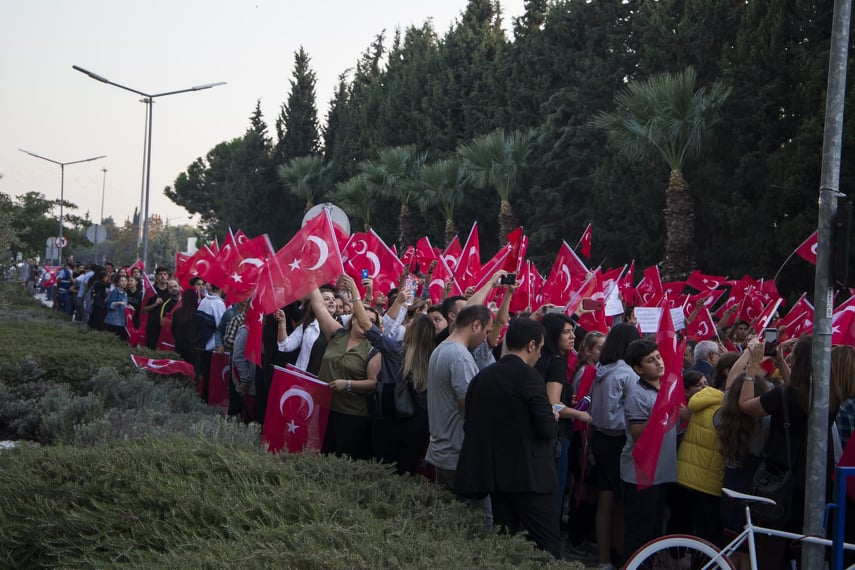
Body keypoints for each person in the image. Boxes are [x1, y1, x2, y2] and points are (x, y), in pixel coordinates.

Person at [455, 317, 562, 558]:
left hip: (497, 477)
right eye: (541, 349)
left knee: (505, 545)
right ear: (531, 345)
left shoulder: (482, 377)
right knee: (548, 548)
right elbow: (546, 428)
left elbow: (471, 422)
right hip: (531, 477)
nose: (540, 356)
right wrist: (552, 418)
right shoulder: (529, 377)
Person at [739, 336, 811, 568]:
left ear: (797, 360)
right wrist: (780, 363)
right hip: (808, 481)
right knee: (798, 546)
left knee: (771, 548)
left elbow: (745, 404)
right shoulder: (823, 395)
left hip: (778, 480)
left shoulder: (782, 397)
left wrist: (751, 368)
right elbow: (796, 393)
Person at [619, 338, 680, 563]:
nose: (658, 363)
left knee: (655, 533)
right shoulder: (637, 394)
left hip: (660, 471)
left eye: (658, 357)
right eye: (650, 361)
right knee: (639, 534)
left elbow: (678, 420)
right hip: (640, 474)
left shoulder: (664, 388)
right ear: (638, 369)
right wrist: (662, 412)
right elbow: (638, 434)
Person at [308, 285, 382, 460]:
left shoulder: (373, 349)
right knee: (322, 454)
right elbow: (319, 306)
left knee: (343, 461)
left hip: (352, 415)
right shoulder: (337, 335)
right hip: (325, 408)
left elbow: (374, 383)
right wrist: (310, 278)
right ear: (354, 319)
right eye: (364, 318)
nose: (367, 323)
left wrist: (347, 384)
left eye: (372, 321)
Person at [589, 322, 640, 570]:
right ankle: (620, 556)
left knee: (605, 500)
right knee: (620, 504)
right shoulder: (627, 374)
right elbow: (632, 413)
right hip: (619, 439)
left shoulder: (601, 369)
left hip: (600, 437)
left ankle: (603, 559)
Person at [426, 304, 494, 489]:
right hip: (457, 454)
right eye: (486, 332)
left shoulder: (442, 349)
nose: (485, 339)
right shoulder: (460, 356)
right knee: (479, 517)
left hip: (443, 450)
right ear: (475, 325)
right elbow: (470, 407)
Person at [535, 312, 592, 524]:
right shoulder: (557, 362)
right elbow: (554, 403)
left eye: (572, 332)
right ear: (553, 335)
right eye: (566, 332)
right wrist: (580, 414)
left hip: (547, 434)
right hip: (558, 435)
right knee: (554, 493)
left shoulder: (542, 358)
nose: (572, 337)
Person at [195, 283, 226, 402]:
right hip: (211, 347)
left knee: (203, 376)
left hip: (201, 344)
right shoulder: (219, 304)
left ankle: (202, 399)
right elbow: (221, 326)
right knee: (210, 379)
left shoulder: (204, 301)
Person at [143, 266, 173, 349]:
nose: (163, 276)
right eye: (160, 274)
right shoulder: (150, 290)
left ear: (168, 276)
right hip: (153, 326)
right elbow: (143, 310)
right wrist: (154, 305)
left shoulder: (172, 289)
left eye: (165, 274)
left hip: (167, 327)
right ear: (156, 276)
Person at [103, 274, 129, 340]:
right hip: (113, 320)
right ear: (117, 283)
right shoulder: (115, 291)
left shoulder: (125, 293)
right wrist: (119, 302)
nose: (124, 282)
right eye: (122, 281)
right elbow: (109, 304)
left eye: (125, 281)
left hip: (121, 320)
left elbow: (124, 304)